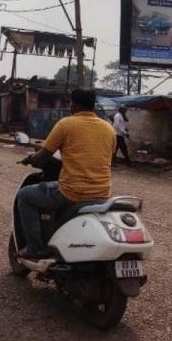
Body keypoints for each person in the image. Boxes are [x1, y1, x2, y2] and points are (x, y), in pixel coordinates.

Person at [16, 89, 116, 258]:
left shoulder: (66, 124)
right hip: (102, 193)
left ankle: (35, 248)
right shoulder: (109, 128)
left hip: (72, 192)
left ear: (74, 104)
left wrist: (31, 159)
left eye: (70, 103)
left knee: (24, 195)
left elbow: (43, 156)